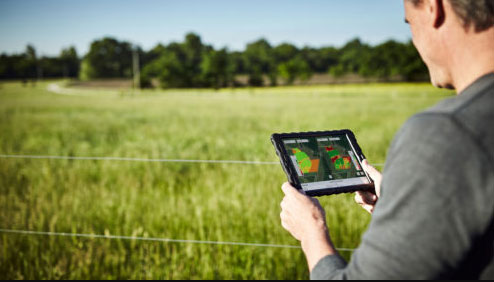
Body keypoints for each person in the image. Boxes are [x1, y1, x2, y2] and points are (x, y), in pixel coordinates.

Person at [279, 0, 494, 279]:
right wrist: (408, 209)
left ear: (433, 8)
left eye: (409, 23)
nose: (414, 40)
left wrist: (311, 231)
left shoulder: (447, 133)